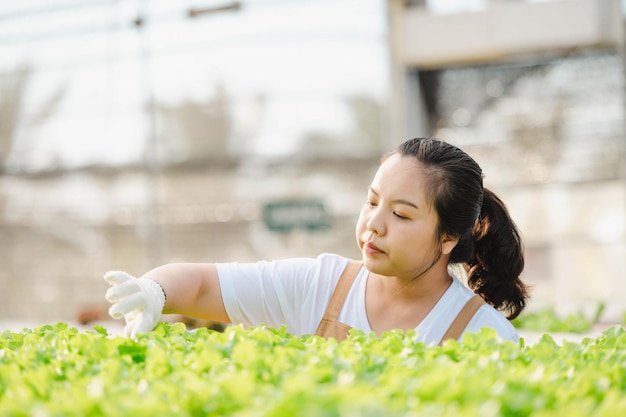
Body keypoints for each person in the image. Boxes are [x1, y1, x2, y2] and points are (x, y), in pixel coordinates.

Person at [104, 137, 529, 344]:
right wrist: (154, 290)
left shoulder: (484, 336)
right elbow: (201, 284)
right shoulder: (320, 285)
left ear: (449, 237)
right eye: (372, 202)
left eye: (400, 214)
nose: (373, 225)